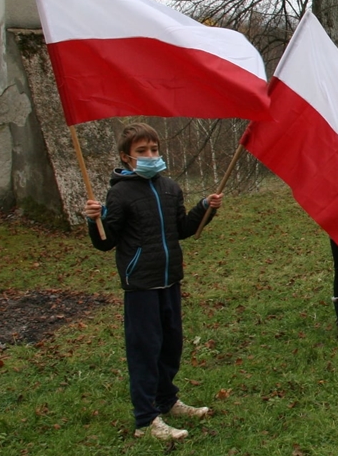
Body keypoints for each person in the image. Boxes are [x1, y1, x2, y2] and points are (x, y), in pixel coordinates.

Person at [84, 123, 219, 441]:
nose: (150, 155)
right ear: (126, 157)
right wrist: (96, 221)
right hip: (141, 285)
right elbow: (106, 242)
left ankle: (167, 401)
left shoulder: (170, 187)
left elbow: (183, 228)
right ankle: (146, 420)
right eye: (142, 151)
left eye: (154, 150)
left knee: (171, 345)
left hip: (169, 280)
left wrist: (204, 209)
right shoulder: (120, 193)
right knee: (146, 349)